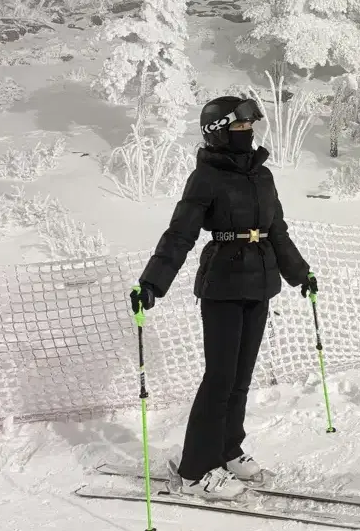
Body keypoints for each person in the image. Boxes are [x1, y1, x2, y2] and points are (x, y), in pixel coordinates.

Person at [130, 95, 317, 501]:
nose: (248, 134)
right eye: (239, 128)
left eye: (251, 127)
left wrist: (300, 274)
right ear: (218, 133)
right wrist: (151, 283)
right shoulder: (206, 178)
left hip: (261, 284)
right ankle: (194, 470)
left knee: (241, 379)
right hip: (223, 286)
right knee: (219, 380)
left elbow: (278, 231)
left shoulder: (262, 177)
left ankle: (228, 450)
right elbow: (180, 234)